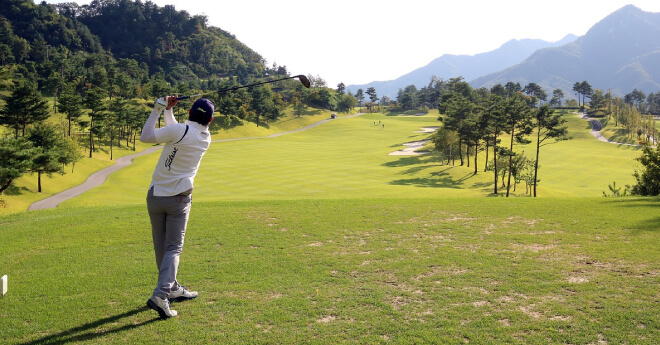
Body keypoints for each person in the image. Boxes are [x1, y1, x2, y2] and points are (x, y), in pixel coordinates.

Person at [139, 96, 214, 319]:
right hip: (179, 200)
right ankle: (161, 294)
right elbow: (177, 131)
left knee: (162, 247)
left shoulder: (179, 131)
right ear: (210, 120)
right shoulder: (205, 138)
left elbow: (147, 136)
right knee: (173, 248)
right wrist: (166, 111)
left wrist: (159, 109)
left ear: (190, 112)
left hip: (155, 197)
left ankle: (171, 288)